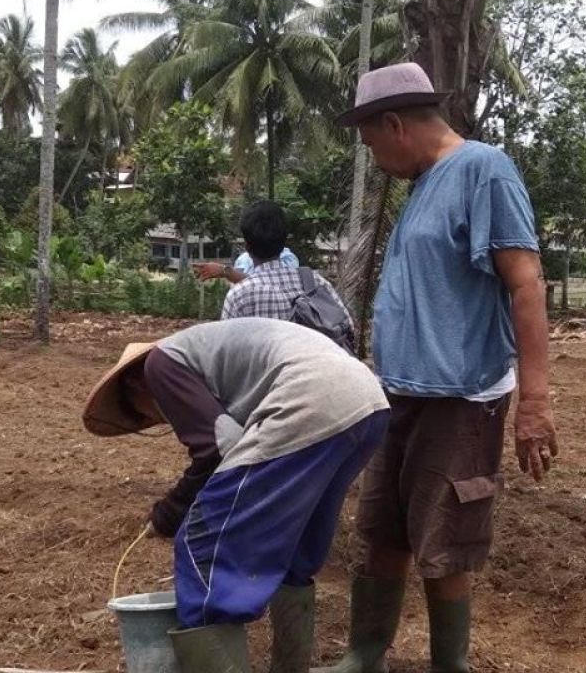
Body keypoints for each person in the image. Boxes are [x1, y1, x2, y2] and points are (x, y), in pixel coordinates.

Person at [319, 62, 557, 673]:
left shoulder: (484, 171)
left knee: (446, 541)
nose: (374, 158)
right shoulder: (425, 184)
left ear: (395, 124)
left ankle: (449, 666)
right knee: (382, 531)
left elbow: (526, 285)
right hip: (397, 394)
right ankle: (364, 655)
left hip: (461, 396)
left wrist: (534, 403)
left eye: (372, 142)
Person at [83, 318, 390, 673]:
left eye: (141, 413)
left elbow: (218, 450)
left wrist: (169, 513)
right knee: (295, 548)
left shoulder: (160, 364)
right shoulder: (209, 352)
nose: (158, 418)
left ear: (136, 384)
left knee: (204, 544)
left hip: (310, 400)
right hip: (367, 403)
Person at [220, 201, 352, 330]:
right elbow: (348, 328)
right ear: (284, 242)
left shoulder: (239, 296)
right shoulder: (316, 282)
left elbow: (224, 347)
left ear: (247, 247)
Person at [194, 245, 299, 284]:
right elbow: (239, 281)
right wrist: (226, 272)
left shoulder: (288, 258)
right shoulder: (243, 259)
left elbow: (274, 285)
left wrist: (225, 271)